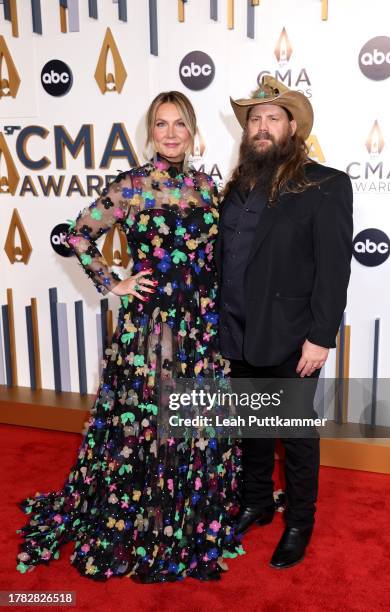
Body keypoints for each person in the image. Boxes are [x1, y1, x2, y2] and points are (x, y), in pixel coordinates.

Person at [16, 91, 245, 583]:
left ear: (192, 130)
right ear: (150, 132)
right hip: (153, 324)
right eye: (161, 124)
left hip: (201, 324)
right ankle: (147, 520)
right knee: (152, 418)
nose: (170, 133)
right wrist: (112, 281)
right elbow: (77, 235)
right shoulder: (134, 186)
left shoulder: (209, 187)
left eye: (179, 124)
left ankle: (188, 519)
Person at [216, 76, 353, 568]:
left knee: (295, 434)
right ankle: (256, 501)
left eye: (273, 117)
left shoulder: (326, 184)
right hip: (235, 331)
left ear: (293, 127)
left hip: (294, 336)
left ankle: (299, 520)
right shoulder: (236, 186)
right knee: (251, 428)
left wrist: (320, 337)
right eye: (254, 118)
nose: (261, 126)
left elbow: (335, 269)